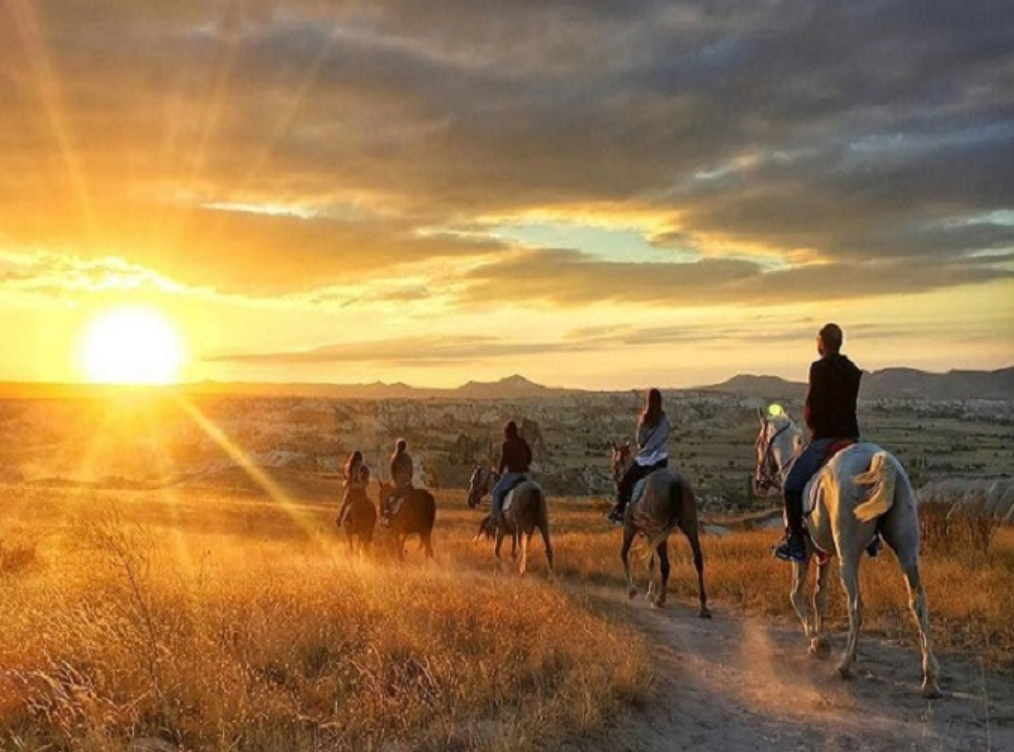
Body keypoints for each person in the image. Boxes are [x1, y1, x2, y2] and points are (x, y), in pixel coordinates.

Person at [774, 323, 864, 563]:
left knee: (791, 486)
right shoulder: (853, 370)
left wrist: (811, 426)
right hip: (852, 439)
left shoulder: (819, 368)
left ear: (821, 344)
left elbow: (813, 410)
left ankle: (795, 543)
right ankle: (873, 536)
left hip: (826, 439)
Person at [609, 388, 671, 523]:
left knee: (625, 482)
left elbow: (640, 441)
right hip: (662, 460)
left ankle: (620, 512)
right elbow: (665, 437)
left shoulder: (644, 420)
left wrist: (646, 447)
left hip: (645, 460)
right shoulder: (665, 420)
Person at [490, 420, 533, 525]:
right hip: (526, 475)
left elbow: (503, 461)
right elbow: (529, 458)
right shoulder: (522, 442)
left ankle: (495, 518)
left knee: (496, 492)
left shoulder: (506, 444)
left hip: (513, 475)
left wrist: (499, 473)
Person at [336, 450, 369, 525]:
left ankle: (339, 519)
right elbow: (366, 482)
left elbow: (345, 481)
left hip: (352, 493)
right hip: (361, 493)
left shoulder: (348, 467)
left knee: (344, 505)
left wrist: (348, 484)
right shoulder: (364, 468)